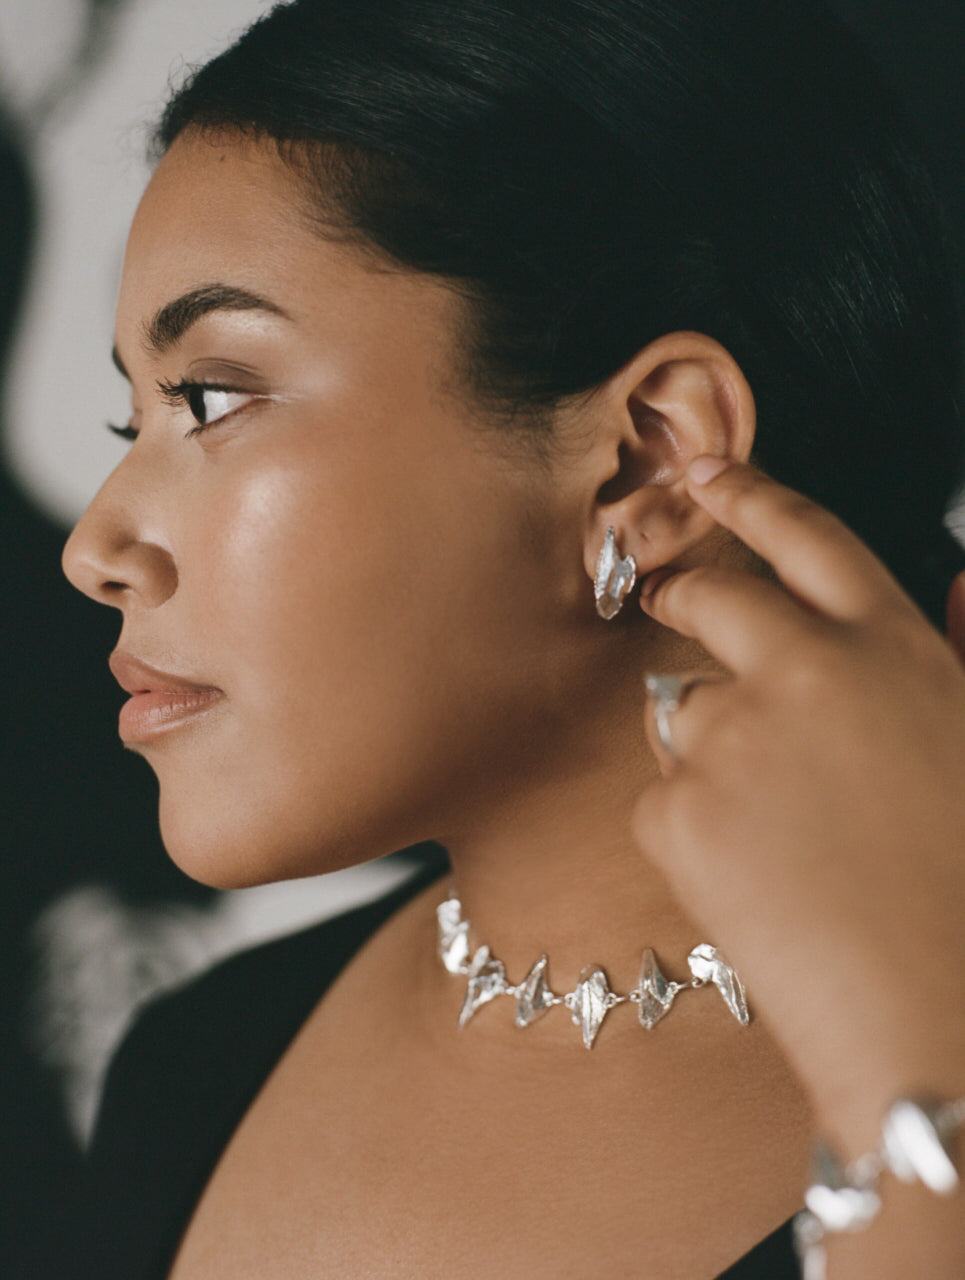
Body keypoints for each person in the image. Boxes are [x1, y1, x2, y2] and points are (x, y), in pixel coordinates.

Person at [54, 0, 964, 1276]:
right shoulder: (197, 1061)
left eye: (209, 397)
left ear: (648, 458)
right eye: (127, 422)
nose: (94, 546)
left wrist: (915, 1072)